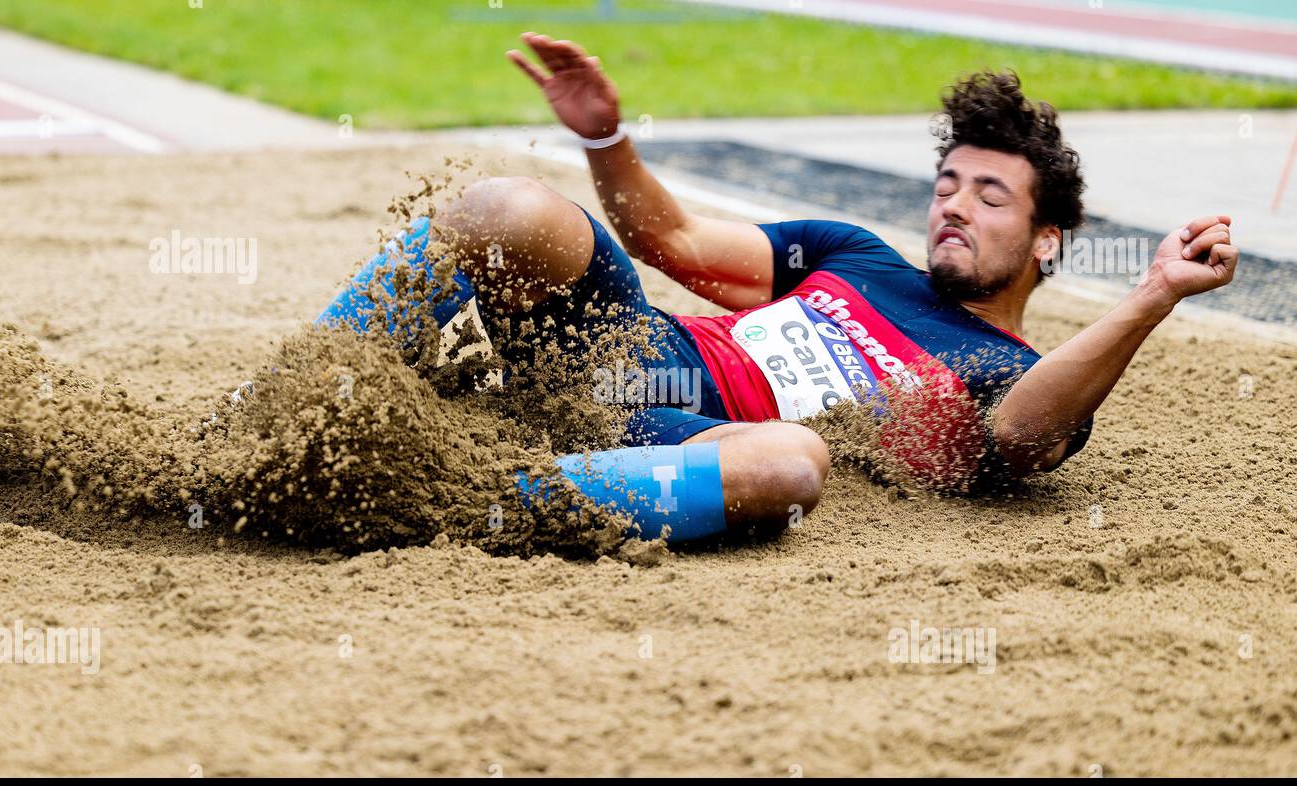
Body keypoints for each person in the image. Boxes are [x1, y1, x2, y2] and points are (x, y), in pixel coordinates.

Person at [316, 32, 1239, 542]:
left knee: (793, 466)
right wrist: (605, 138)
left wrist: (1152, 293)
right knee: (515, 207)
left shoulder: (1017, 372)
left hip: (685, 438)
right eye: (946, 185)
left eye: (989, 195)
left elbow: (1024, 437)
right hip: (616, 351)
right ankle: (300, 397)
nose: (954, 206)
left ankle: (450, 495)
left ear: (1048, 240)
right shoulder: (856, 253)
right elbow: (670, 239)